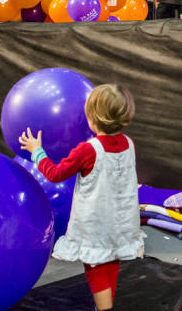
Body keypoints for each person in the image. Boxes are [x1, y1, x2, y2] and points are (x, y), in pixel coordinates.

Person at [18, 84, 144, 311]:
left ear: (92, 119)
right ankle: (105, 305)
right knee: (111, 260)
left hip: (97, 224)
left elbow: (55, 174)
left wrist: (37, 150)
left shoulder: (88, 150)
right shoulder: (129, 144)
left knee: (95, 268)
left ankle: (105, 309)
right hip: (121, 222)